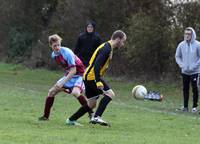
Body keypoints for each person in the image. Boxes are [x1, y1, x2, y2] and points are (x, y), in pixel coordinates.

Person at [66, 30, 127, 126]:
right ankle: (97, 117)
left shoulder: (108, 47)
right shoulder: (106, 48)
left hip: (88, 76)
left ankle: (71, 120)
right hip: (92, 77)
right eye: (123, 41)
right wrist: (98, 81)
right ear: (118, 39)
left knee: (91, 104)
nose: (123, 44)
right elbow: (97, 65)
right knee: (110, 94)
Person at [39, 34, 93, 121]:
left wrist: (62, 82)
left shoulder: (67, 53)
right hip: (70, 75)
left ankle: (91, 113)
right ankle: (45, 117)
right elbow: (67, 69)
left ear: (60, 43)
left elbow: (74, 70)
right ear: (50, 45)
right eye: (54, 46)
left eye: (58, 45)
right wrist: (63, 82)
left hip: (80, 75)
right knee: (51, 92)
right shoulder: (54, 55)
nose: (57, 47)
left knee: (75, 92)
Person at [175, 27, 200, 113]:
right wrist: (181, 65)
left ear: (192, 35)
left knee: (195, 89)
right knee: (185, 89)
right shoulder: (181, 45)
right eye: (185, 34)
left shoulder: (197, 44)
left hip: (195, 72)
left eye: (189, 34)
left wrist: (194, 66)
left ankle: (194, 107)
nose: (187, 35)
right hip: (185, 72)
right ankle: (185, 107)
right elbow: (177, 56)